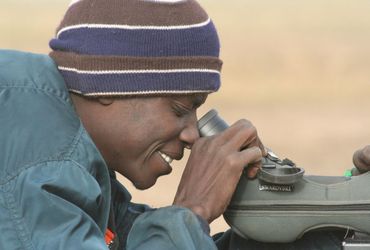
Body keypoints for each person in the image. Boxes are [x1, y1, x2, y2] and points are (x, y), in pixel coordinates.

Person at [0, 0, 369, 249]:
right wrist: (191, 210)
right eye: (180, 108)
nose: (193, 135)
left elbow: (125, 240)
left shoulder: (62, 143)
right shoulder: (41, 160)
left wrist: (333, 216)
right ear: (105, 86)